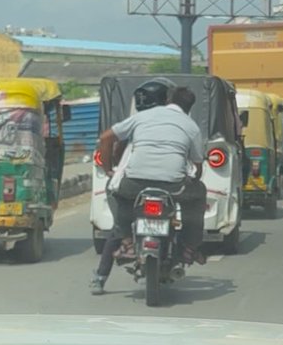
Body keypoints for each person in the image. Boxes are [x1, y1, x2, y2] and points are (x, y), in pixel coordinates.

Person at [99, 82, 207, 273]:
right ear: (190, 107)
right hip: (173, 186)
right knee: (199, 193)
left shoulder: (142, 117)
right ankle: (190, 247)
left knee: (118, 195)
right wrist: (195, 178)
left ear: (168, 100)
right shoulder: (192, 126)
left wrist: (109, 169)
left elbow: (106, 137)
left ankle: (127, 242)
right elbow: (198, 165)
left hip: (135, 183)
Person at [89, 79, 166, 295]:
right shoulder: (177, 124)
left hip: (131, 184)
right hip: (168, 184)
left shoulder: (133, 124)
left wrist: (109, 169)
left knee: (119, 228)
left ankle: (101, 277)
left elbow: (111, 145)